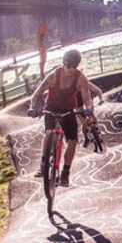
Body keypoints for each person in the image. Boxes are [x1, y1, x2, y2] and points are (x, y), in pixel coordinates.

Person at [28, 49, 97, 188]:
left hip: (67, 111)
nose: (70, 70)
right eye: (67, 66)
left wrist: (89, 111)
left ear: (77, 65)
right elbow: (36, 93)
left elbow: (87, 98)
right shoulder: (54, 75)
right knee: (48, 133)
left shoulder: (80, 78)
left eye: (73, 67)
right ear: (63, 63)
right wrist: (33, 107)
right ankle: (43, 165)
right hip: (51, 108)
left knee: (72, 141)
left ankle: (65, 173)